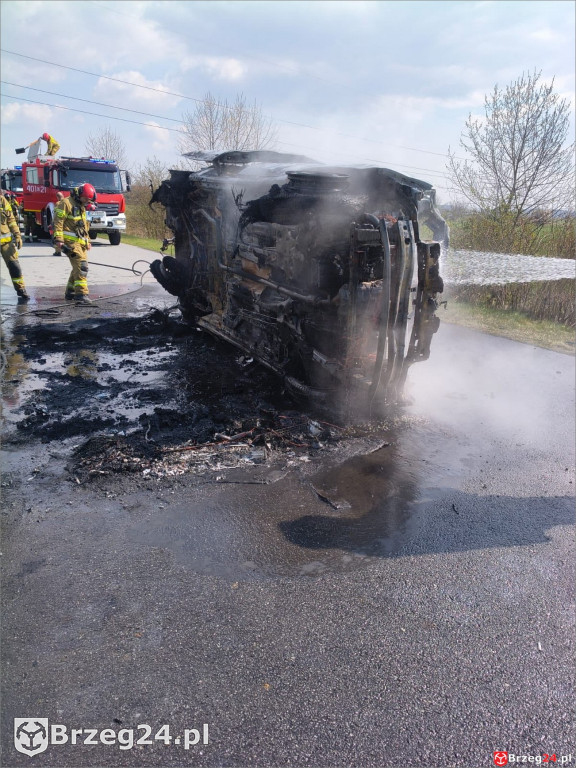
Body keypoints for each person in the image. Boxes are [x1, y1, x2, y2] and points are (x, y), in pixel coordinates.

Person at [52, 183, 95, 305]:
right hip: (70, 242)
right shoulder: (66, 203)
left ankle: (70, 291)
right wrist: (59, 240)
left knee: (78, 267)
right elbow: (58, 222)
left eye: (89, 200)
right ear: (79, 194)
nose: (87, 201)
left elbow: (83, 226)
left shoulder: (80, 205)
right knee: (82, 267)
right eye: (85, 198)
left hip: (80, 243)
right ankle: (81, 295)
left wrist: (88, 241)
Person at [1, 191, 29, 303]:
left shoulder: (2, 200)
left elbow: (11, 220)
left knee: (15, 266)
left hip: (6, 243)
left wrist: (17, 235)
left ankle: (21, 289)